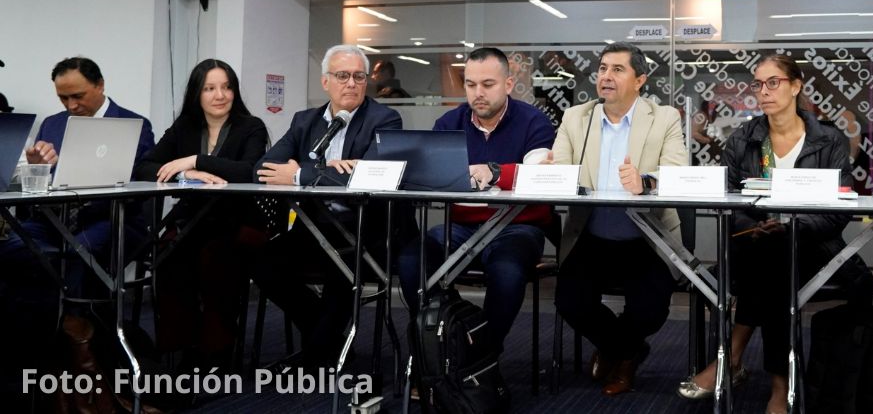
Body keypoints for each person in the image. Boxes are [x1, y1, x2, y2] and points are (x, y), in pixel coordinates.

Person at [676, 54, 873, 413]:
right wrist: (753, 227)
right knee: (772, 259)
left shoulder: (828, 140)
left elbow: (839, 210)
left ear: (796, 86)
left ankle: (732, 356)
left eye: (773, 83)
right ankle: (780, 384)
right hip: (754, 245)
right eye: (758, 84)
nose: (763, 91)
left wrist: (791, 226)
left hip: (814, 247)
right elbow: (729, 200)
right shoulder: (744, 138)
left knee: (777, 257)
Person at [0, 56, 154, 412]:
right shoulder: (52, 124)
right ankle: (51, 336)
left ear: (100, 85)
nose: (71, 105)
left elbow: (138, 185)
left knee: (72, 255)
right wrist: (37, 170)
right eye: (63, 98)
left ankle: (70, 344)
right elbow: (37, 188)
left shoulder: (133, 124)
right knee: (13, 246)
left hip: (110, 219)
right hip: (54, 220)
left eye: (78, 96)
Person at [251, 44, 404, 367]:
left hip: (363, 231)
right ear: (325, 82)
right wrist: (330, 171)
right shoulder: (304, 121)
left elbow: (371, 175)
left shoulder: (385, 119)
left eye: (359, 77)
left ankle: (318, 354)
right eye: (342, 76)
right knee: (262, 262)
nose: (351, 83)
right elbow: (263, 169)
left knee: (342, 266)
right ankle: (328, 342)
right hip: (313, 228)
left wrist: (300, 174)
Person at [396, 47, 556, 351]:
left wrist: (494, 172)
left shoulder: (534, 122)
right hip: (461, 227)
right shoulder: (449, 123)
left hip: (517, 226)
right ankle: (448, 331)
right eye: (470, 84)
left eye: (488, 84)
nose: (478, 93)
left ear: (508, 84)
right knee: (410, 260)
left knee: (507, 272)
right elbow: (431, 175)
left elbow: (539, 176)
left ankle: (482, 353)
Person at [551, 42, 688, 396]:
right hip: (591, 236)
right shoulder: (576, 117)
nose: (606, 76)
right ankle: (626, 351)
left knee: (651, 310)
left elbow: (677, 172)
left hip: (646, 238)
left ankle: (619, 352)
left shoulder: (664, 118)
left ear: (640, 80)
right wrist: (548, 171)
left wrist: (646, 182)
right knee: (569, 301)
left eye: (617, 69)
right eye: (602, 68)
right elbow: (560, 169)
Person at [132, 59, 269, 370]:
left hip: (238, 221)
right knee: (168, 258)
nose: (220, 95)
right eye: (210, 88)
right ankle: (183, 347)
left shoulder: (251, 127)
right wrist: (185, 175)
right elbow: (145, 167)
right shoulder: (185, 126)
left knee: (216, 259)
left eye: (226, 87)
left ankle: (217, 349)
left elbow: (248, 171)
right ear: (197, 93)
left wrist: (195, 160)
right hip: (192, 221)